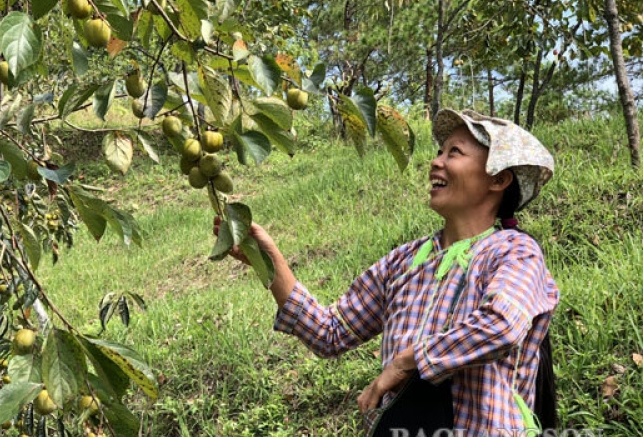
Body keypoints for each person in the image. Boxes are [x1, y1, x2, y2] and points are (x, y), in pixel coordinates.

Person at [214, 109, 559, 436]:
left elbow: (502, 324)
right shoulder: (404, 261)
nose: (436, 161)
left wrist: (404, 364)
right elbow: (330, 333)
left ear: (498, 179)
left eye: (454, 152)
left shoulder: (514, 252)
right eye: (439, 151)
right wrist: (269, 260)